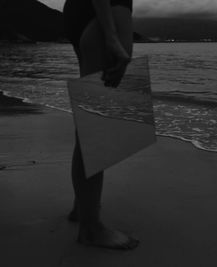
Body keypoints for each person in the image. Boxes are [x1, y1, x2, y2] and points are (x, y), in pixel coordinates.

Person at [62, 0, 139, 249]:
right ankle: (91, 229)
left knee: (93, 117)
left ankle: (83, 206)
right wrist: (111, 34)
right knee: (95, 123)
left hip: (85, 10)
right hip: (104, 10)